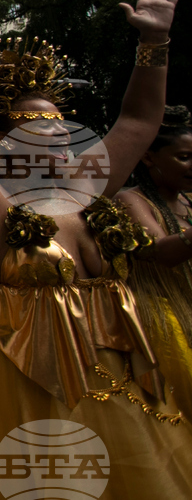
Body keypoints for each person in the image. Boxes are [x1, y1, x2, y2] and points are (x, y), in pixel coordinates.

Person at [0, 0, 192, 497]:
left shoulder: (93, 191)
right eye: (43, 127)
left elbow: (139, 117)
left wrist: (153, 44)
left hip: (126, 385)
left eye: (63, 125)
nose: (63, 133)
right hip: (37, 394)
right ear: (8, 142)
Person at [116, 105, 192, 417]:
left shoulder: (187, 201)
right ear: (149, 157)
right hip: (163, 319)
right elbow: (162, 253)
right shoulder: (130, 200)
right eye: (184, 157)